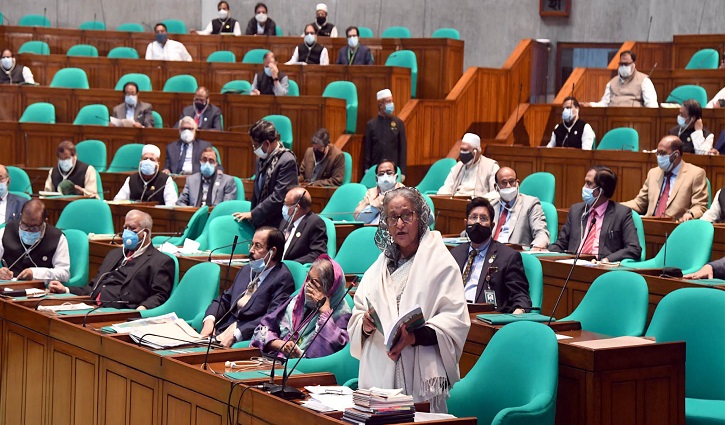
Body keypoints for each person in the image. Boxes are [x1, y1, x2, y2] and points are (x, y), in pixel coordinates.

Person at [349, 187, 470, 412]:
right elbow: (358, 311)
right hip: (378, 369)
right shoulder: (379, 266)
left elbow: (455, 321)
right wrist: (364, 325)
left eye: (407, 215)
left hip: (419, 374)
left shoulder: (441, 263)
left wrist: (413, 337)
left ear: (420, 217)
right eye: (393, 217)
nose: (400, 224)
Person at [49, 210, 173, 310]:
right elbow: (93, 287)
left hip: (120, 312)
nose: (127, 233)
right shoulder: (114, 254)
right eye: (125, 228)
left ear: (145, 232)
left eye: (132, 228)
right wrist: (66, 289)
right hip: (92, 306)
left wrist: (143, 308)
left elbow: (160, 295)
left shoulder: (160, 261)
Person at [200, 227, 295, 347]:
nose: (251, 250)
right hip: (221, 330)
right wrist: (209, 320)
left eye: (258, 246)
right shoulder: (247, 269)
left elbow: (271, 317)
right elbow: (225, 300)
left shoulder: (283, 279)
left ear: (273, 251)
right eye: (251, 244)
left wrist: (237, 333)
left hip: (246, 339)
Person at [251, 255, 350, 358]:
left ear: (329, 290)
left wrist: (325, 313)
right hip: (273, 361)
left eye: (313, 282)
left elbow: (329, 353)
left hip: (305, 371)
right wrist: (280, 344)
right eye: (308, 278)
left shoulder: (341, 316)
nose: (307, 285)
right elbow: (260, 331)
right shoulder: (296, 302)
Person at [450, 197, 532, 312]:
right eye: (473, 217)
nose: (478, 222)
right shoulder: (455, 254)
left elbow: (520, 297)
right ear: (465, 223)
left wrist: (519, 311)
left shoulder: (508, 257)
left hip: (484, 318)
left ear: (492, 226)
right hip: (454, 314)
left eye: (483, 218)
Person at [550, 166, 642, 262]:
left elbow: (634, 248)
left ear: (601, 190)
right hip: (573, 266)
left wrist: (607, 259)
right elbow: (562, 243)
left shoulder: (621, 214)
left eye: (589, 183)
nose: (584, 187)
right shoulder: (576, 211)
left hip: (600, 268)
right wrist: (542, 250)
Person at [622, 135, 708, 221]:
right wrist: (615, 206)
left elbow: (700, 206)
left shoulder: (695, 174)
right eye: (657, 153)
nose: (658, 157)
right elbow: (639, 204)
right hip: (650, 225)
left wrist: (690, 213)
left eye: (662, 153)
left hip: (676, 227)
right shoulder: (653, 173)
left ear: (676, 154)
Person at [232, 120, 298, 228]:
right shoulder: (261, 160)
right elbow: (257, 193)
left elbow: (279, 197)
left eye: (256, 145)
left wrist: (253, 214)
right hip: (261, 222)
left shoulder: (286, 160)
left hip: (277, 225)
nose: (254, 149)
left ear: (267, 143)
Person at [0, 199, 69, 282]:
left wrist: (35, 274)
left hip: (43, 289)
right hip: (9, 287)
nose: (28, 231)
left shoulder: (57, 237)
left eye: (34, 227)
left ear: (45, 222)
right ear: (21, 217)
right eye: (24, 225)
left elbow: (64, 273)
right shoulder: (5, 231)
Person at [490, 167, 549, 250]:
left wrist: (536, 247)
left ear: (517, 183)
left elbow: (541, 232)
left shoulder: (530, 203)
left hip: (515, 254)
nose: (508, 186)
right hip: (490, 253)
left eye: (511, 182)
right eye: (504, 183)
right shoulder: (491, 206)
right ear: (496, 186)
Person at [582, 50, 658, 108]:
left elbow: (652, 105)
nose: (623, 66)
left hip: (634, 119)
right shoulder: (612, 82)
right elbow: (604, 103)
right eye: (621, 64)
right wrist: (591, 105)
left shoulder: (644, 81)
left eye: (626, 64)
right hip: (612, 118)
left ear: (633, 64)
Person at [437, 133, 499, 198]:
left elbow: (495, 193)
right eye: (461, 149)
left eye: (465, 150)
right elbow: (447, 187)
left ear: (476, 151)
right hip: (456, 202)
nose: (462, 153)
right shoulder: (458, 166)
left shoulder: (491, 166)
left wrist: (481, 202)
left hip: (478, 204)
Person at [114, 144, 178, 205]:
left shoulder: (165, 180)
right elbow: (118, 200)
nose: (148, 161)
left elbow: (171, 205)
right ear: (140, 162)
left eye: (152, 159)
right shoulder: (132, 179)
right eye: (145, 159)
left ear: (158, 164)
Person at [279, 187, 328, 264]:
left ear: (297, 208)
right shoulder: (285, 221)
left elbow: (318, 254)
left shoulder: (315, 223)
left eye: (286, 204)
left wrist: (291, 265)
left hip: (295, 270)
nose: (283, 207)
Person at [363, 89, 407, 174]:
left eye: (391, 101)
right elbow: (367, 150)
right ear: (381, 105)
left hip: (394, 169)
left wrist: (403, 172)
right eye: (388, 101)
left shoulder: (399, 123)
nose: (391, 104)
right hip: (376, 169)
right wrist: (367, 169)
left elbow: (402, 150)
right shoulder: (371, 124)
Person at [354, 159, 404, 224]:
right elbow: (359, 219)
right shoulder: (371, 193)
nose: (385, 176)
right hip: (372, 230)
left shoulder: (405, 192)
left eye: (389, 173)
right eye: (381, 174)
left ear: (396, 177)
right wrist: (376, 205)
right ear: (376, 178)